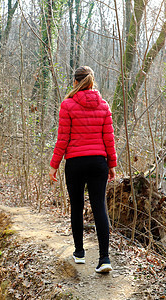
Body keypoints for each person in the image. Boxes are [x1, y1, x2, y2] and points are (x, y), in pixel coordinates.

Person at [49, 66, 117, 273]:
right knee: (99, 208)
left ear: (75, 82)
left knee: (77, 207)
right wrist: (112, 165)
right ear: (92, 81)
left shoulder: (67, 105)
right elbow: (109, 140)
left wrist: (54, 164)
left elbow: (63, 139)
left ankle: (79, 253)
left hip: (76, 163)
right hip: (98, 162)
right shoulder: (104, 106)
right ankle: (105, 259)